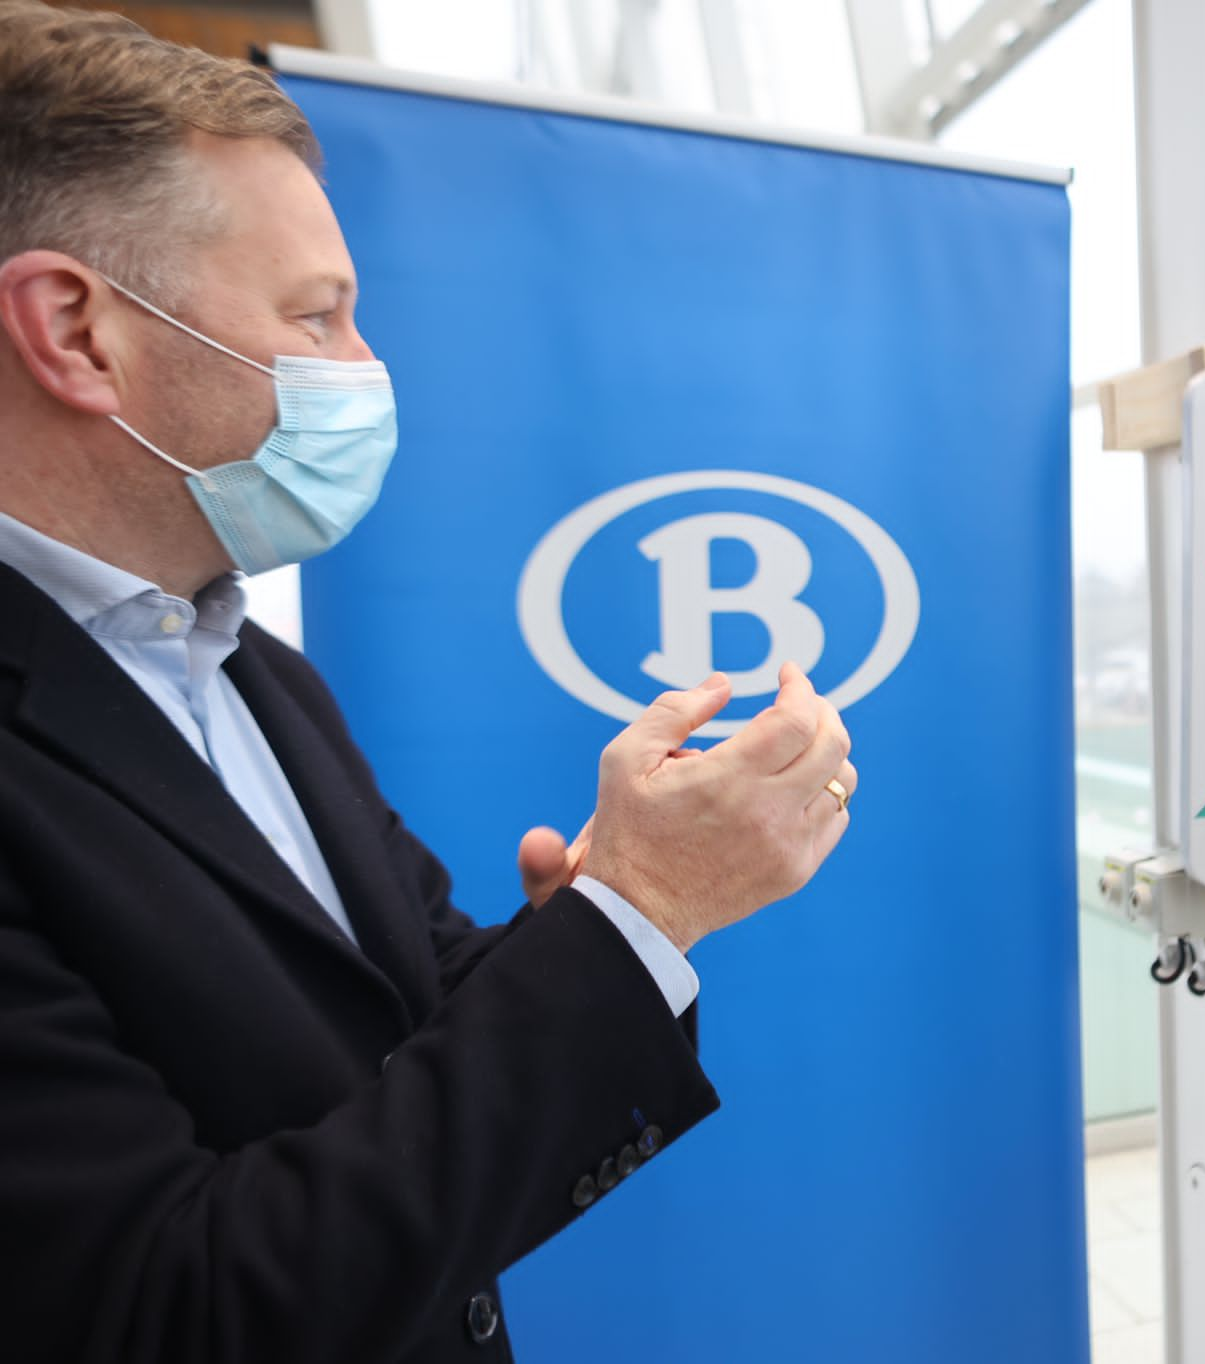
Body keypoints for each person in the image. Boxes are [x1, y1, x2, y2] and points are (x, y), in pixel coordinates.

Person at [0, 7, 855, 1362]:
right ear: (77, 332)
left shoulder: (251, 669)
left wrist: (603, 921)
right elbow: (165, 1308)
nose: (366, 370)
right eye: (318, 316)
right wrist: (639, 910)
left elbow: (408, 1013)